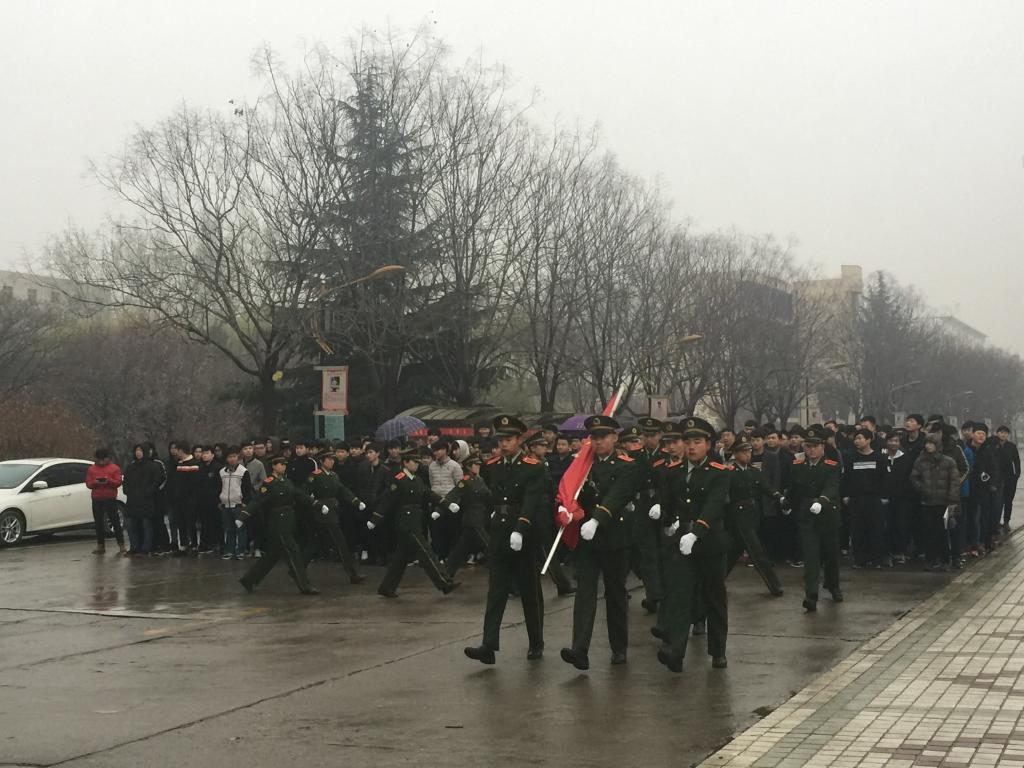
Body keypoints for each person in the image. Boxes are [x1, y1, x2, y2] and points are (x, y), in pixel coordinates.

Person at [464, 415, 547, 665]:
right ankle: (488, 645)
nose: (503, 443)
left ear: (519, 440)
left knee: (529, 590)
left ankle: (536, 641)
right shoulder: (493, 465)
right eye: (500, 439)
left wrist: (521, 528)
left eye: (509, 439)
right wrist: (494, 514)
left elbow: (531, 500)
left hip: (523, 531)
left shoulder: (533, 467)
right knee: (496, 589)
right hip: (500, 531)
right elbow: (494, 494)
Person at [558, 415, 639, 671]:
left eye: (603, 436)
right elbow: (571, 491)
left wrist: (597, 519)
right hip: (587, 539)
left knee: (615, 594)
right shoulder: (583, 465)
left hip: (614, 536)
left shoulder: (626, 465)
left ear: (615, 438)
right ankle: (579, 649)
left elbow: (618, 495)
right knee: (585, 592)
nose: (599, 441)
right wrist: (567, 508)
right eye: (594, 437)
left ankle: (619, 647)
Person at [653, 417, 730, 672]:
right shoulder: (674, 472)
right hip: (682, 542)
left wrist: (696, 532)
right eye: (687, 442)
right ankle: (675, 651)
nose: (692, 446)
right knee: (680, 594)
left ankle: (718, 650)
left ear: (708, 444)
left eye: (697, 441)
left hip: (709, 542)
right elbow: (670, 501)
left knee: (714, 596)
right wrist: (667, 521)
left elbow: (714, 505)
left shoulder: (719, 472)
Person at [367, 448, 458, 599]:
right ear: (405, 463)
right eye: (414, 462)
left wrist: (446, 504)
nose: (417, 464)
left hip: (415, 520)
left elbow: (428, 494)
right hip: (406, 523)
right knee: (426, 552)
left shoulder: (416, 479)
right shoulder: (399, 479)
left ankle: (387, 587)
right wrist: (375, 518)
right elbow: (388, 500)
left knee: (400, 559)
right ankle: (444, 582)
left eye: (417, 462)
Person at [781, 425, 842, 613]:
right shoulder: (798, 466)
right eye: (808, 446)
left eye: (815, 446)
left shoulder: (831, 466)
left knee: (830, 556)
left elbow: (832, 487)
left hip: (827, 515)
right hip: (806, 516)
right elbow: (794, 488)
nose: (811, 450)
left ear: (822, 447)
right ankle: (811, 596)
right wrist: (787, 503)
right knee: (811, 556)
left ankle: (833, 585)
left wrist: (822, 501)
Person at [239, 456, 319, 595]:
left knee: (272, 555)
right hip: (278, 523)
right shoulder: (269, 483)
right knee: (294, 552)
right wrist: (243, 515)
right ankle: (304, 585)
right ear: (274, 466)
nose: (284, 466)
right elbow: (257, 501)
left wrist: (315, 503)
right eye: (281, 464)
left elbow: (298, 494)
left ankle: (249, 579)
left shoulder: (287, 481)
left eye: (284, 464)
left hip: (288, 521)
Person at [725, 440, 784, 596]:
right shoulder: (729, 472)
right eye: (744, 452)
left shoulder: (753, 471)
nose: (747, 455)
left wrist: (779, 497)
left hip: (752, 515)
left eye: (749, 451)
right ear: (735, 454)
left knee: (733, 552)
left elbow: (765, 486)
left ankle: (713, 581)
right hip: (737, 516)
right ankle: (774, 585)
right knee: (757, 551)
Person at [303, 450, 367, 584]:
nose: (332, 461)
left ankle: (298, 568)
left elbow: (342, 490)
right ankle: (352, 573)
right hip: (323, 513)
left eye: (333, 459)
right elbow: (305, 493)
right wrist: (317, 504)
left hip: (332, 511)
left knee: (316, 543)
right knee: (340, 543)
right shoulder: (315, 476)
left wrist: (356, 501)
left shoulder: (334, 475)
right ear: (322, 461)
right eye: (329, 459)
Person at [909, 434, 960, 570]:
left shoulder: (948, 461)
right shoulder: (920, 461)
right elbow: (913, 478)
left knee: (943, 531)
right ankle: (930, 560)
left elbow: (954, 482)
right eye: (927, 443)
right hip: (927, 502)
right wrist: (922, 488)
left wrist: (952, 500)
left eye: (931, 443)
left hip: (944, 503)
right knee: (928, 532)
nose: (928, 446)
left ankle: (945, 560)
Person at [438, 452, 492, 580]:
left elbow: (488, 497)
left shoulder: (480, 480)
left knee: (460, 549)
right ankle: (506, 577)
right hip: (472, 520)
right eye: (475, 464)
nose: (478, 466)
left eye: (479, 464)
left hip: (480, 518)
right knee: (490, 548)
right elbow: (453, 495)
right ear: (468, 466)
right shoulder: (465, 481)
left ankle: (447, 573)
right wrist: (439, 509)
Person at [632, 417, 667, 614]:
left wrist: (661, 502)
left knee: (663, 552)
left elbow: (670, 483)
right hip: (642, 506)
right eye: (646, 435)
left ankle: (664, 593)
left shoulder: (666, 455)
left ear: (659, 435)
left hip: (662, 506)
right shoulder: (636, 456)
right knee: (647, 554)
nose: (649, 439)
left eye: (653, 435)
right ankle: (653, 595)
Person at [843, 427, 889, 568]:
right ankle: (860, 560)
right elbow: (846, 478)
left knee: (876, 530)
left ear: (868, 440)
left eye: (860, 438)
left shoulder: (879, 458)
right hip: (856, 499)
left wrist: (884, 496)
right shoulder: (851, 458)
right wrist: (846, 495)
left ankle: (877, 560)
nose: (857, 441)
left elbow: (885, 479)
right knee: (857, 531)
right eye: (855, 439)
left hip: (874, 499)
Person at [123, 443, 162, 556]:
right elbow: (126, 481)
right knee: (131, 524)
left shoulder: (153, 466)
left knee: (146, 524)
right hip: (132, 501)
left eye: (140, 450)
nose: (138, 452)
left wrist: (148, 492)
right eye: (136, 450)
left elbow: (156, 481)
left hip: (146, 500)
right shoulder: (131, 467)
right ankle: (134, 546)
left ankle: (146, 547)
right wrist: (127, 491)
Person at [427, 440, 463, 559]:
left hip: (451, 503)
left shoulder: (454, 466)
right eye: (434, 450)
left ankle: (452, 556)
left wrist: (455, 501)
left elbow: (459, 486)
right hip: (436, 501)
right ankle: (441, 556)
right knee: (437, 531)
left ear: (445, 450)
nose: (435, 453)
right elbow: (432, 483)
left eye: (438, 450)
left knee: (452, 531)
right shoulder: (432, 466)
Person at [84, 448, 124, 556]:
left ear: (108, 458)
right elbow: (88, 484)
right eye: (99, 459)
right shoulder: (91, 469)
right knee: (98, 523)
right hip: (97, 498)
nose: (101, 462)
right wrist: (95, 483)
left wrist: (109, 481)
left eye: (103, 459)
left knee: (115, 521)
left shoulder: (114, 468)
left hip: (110, 498)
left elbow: (118, 482)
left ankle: (121, 545)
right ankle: (100, 545)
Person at [219, 446, 253, 560]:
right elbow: (219, 487)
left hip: (238, 504)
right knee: (229, 529)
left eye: (234, 456)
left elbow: (247, 488)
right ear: (226, 458)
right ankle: (230, 550)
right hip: (225, 505)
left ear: (238, 457)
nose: (232, 459)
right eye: (230, 457)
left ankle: (241, 551)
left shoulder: (243, 471)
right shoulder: (221, 472)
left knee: (241, 529)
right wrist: (220, 500)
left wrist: (245, 502)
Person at [197, 445, 223, 554]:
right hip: (202, 500)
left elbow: (220, 485)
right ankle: (205, 544)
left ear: (212, 455)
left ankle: (219, 544)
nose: (205, 455)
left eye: (207, 453)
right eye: (203, 453)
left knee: (216, 522)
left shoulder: (218, 467)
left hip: (215, 500)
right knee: (204, 523)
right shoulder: (199, 467)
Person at [996, 426, 1020, 529]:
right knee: (998, 501)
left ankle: (1006, 521)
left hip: (1010, 478)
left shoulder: (1011, 446)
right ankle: (996, 522)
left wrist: (1016, 475)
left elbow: (1016, 461)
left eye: (1006, 433)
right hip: (997, 478)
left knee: (1008, 501)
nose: (1003, 434)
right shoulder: (993, 445)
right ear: (997, 433)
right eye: (1001, 432)